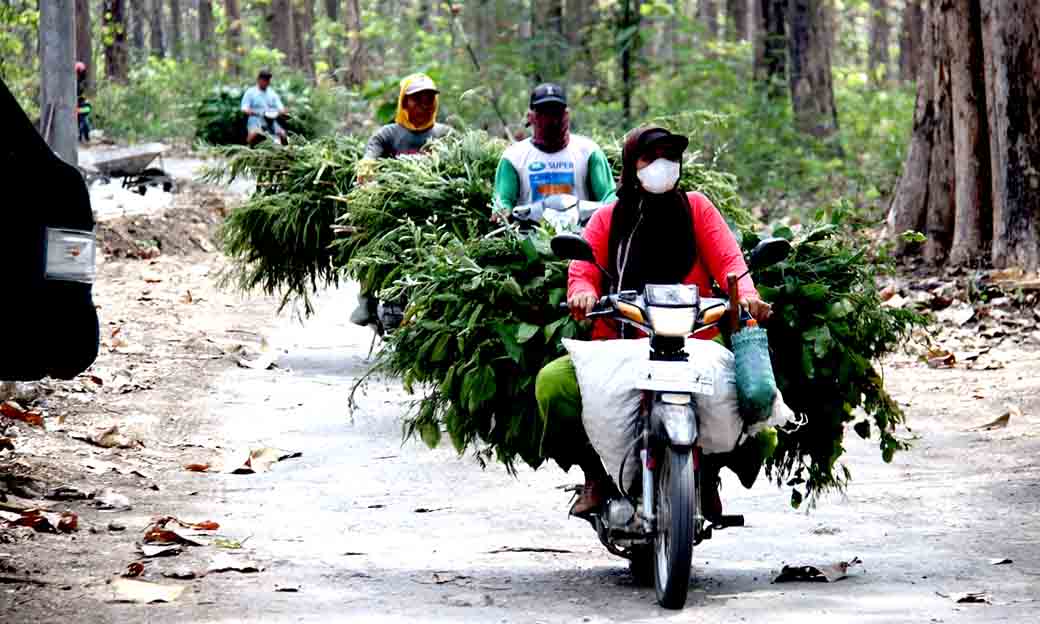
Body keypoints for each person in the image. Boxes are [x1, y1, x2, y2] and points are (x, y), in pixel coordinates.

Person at [534, 126, 773, 518]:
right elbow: (583, 268)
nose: (662, 165)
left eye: (670, 156)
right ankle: (596, 473)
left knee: (759, 413)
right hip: (619, 343)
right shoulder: (609, 217)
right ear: (631, 167)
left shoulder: (697, 208)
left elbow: (733, 265)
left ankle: (706, 474)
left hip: (695, 341)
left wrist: (747, 296)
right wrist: (583, 292)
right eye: (650, 158)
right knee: (553, 386)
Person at [351, 73, 451, 327]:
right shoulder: (388, 134)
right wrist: (367, 176)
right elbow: (369, 159)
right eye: (417, 99)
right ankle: (367, 300)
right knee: (372, 245)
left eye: (429, 99)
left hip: (436, 214)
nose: (424, 104)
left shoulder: (445, 134)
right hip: (394, 213)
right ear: (404, 103)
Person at [491, 83, 616, 217]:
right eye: (543, 113)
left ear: (567, 115)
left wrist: (610, 209)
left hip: (581, 234)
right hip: (529, 235)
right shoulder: (513, 158)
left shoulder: (589, 152)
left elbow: (608, 194)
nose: (551, 119)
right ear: (530, 117)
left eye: (557, 112)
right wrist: (502, 211)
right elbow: (503, 199)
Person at [241, 69, 287, 146]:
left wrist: (280, 112)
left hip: (271, 120)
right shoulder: (250, 92)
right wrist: (253, 112)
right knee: (255, 134)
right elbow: (244, 108)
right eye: (265, 80)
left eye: (268, 80)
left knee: (283, 135)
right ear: (259, 80)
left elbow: (281, 108)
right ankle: (249, 145)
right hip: (255, 119)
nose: (267, 82)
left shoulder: (272, 93)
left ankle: (286, 151)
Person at [74, 62, 91, 143]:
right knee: (82, 121)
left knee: (83, 120)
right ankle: (82, 137)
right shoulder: (76, 82)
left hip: (82, 105)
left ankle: (84, 137)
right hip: (80, 105)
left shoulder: (79, 83)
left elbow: (81, 94)